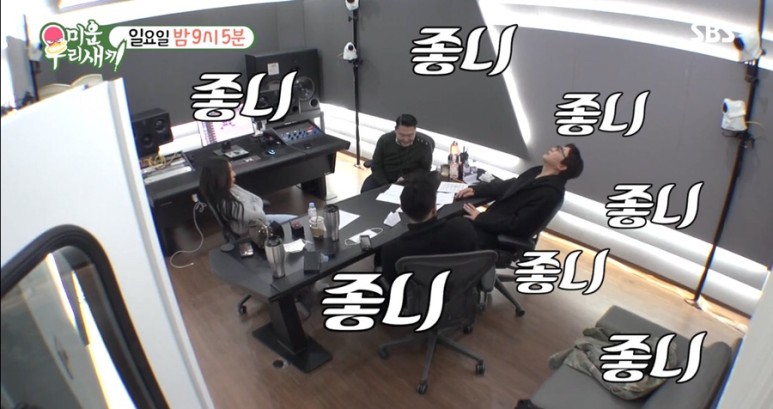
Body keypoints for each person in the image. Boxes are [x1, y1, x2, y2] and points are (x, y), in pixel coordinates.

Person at [455, 144, 584, 249]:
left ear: (562, 166)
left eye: (560, 150)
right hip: (490, 223)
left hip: (497, 237)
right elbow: (510, 185)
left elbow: (517, 226)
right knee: (452, 219)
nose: (554, 148)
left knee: (453, 227)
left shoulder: (551, 194)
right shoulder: (537, 171)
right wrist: (476, 190)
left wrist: (481, 217)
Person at [380, 173, 478, 283]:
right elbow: (473, 260)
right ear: (434, 207)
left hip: (418, 293)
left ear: (403, 209)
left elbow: (392, 282)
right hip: (459, 288)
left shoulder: (391, 250)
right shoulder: (463, 228)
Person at [199, 156, 296, 235]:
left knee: (296, 220)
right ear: (221, 176)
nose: (234, 174)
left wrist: (253, 207)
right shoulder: (226, 203)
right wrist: (254, 207)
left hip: (261, 221)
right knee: (297, 226)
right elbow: (259, 216)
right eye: (230, 171)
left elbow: (256, 199)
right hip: (257, 231)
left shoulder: (231, 188)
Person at [361, 114, 434, 193]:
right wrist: (385, 186)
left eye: (410, 135)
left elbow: (425, 170)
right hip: (386, 176)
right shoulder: (384, 140)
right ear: (396, 130)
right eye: (402, 135)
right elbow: (377, 166)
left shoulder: (424, 145)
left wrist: (407, 178)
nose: (406, 139)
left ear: (415, 131)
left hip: (410, 179)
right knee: (366, 192)